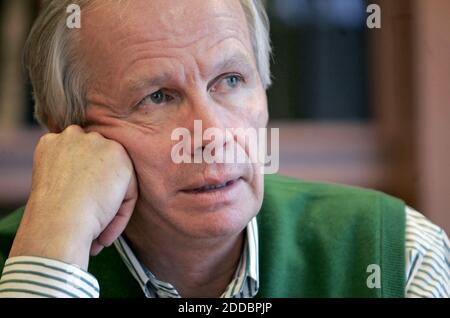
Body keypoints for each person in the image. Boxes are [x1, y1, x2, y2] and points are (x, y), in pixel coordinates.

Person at [0, 0, 448, 298]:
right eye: (157, 97)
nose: (211, 134)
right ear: (69, 138)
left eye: (231, 81)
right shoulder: (15, 270)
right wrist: (49, 261)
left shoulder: (397, 256)